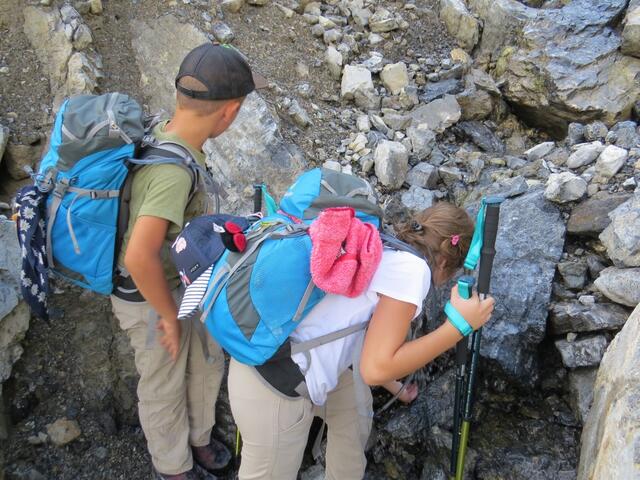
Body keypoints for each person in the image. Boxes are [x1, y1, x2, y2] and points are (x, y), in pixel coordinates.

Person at [227, 201, 495, 480]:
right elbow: (375, 369)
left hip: (274, 359)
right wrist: (457, 328)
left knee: (355, 410)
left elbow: (359, 331)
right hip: (274, 387)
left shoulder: (384, 245)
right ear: (444, 261)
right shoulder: (414, 271)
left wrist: (396, 387)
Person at [110, 43, 266, 480]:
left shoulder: (170, 135)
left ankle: (199, 438)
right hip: (147, 296)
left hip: (183, 284)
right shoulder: (171, 172)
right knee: (164, 381)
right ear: (230, 112)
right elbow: (138, 255)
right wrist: (166, 316)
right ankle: (173, 468)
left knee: (205, 358)